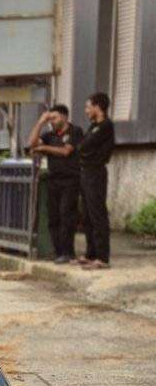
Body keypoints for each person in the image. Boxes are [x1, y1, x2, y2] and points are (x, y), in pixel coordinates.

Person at [28, 104, 83, 263]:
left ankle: (68, 252)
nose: (51, 121)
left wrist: (44, 147)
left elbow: (66, 151)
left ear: (64, 117)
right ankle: (58, 251)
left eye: (54, 118)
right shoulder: (49, 134)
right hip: (54, 180)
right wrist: (40, 122)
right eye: (49, 118)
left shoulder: (74, 131)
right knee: (53, 217)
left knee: (67, 215)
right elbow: (32, 144)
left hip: (70, 180)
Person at [77, 92, 116, 269]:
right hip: (86, 172)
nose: (86, 110)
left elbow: (85, 146)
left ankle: (102, 257)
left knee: (97, 213)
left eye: (88, 106)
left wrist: (84, 150)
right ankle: (90, 253)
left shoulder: (105, 125)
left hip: (96, 173)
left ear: (97, 106)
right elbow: (83, 146)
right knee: (87, 214)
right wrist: (83, 149)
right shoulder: (93, 126)